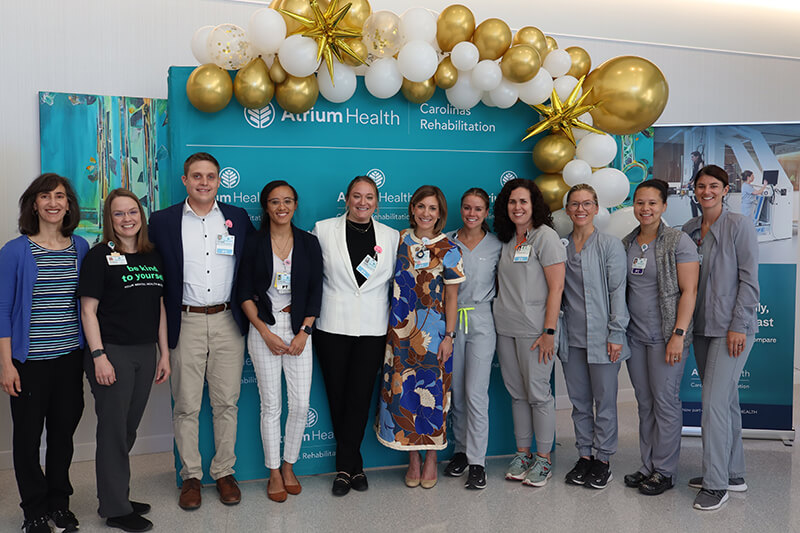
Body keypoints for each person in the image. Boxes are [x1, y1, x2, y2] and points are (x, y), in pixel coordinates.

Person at [148, 152, 254, 510]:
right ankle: (191, 476)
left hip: (228, 320)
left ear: (219, 181)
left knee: (227, 402)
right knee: (187, 405)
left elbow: (253, 265)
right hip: (185, 320)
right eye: (197, 176)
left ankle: (224, 472)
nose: (204, 182)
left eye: (210, 176)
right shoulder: (162, 221)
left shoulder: (237, 218)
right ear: (185, 180)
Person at [0, 174, 88, 533]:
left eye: (60, 196)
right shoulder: (15, 251)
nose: (53, 202)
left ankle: (58, 503)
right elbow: (3, 310)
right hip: (29, 363)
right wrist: (6, 364)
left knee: (63, 438)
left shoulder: (81, 246)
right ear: (33, 204)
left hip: (70, 360)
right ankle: (33, 511)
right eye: (45, 196)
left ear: (69, 205)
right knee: (26, 439)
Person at [79, 189, 170, 532]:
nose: (127, 219)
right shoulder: (99, 255)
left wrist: (163, 353)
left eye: (132, 212)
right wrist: (99, 356)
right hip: (112, 352)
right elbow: (88, 311)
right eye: (118, 214)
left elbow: (158, 306)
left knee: (127, 429)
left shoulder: (152, 255)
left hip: (145, 352)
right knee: (114, 431)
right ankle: (115, 509)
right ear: (109, 219)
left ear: (141, 216)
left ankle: (117, 494)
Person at [311, 176, 399, 496]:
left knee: (361, 397)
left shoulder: (391, 237)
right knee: (337, 396)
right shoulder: (322, 230)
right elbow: (309, 277)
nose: (363, 203)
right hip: (332, 326)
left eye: (369, 197)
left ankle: (346, 466)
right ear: (346, 198)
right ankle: (352, 467)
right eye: (357, 196)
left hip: (373, 328)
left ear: (377, 201)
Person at [238, 180, 322, 503]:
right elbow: (243, 292)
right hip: (265, 329)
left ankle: (290, 465)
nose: (281, 207)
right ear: (266, 207)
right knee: (271, 405)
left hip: (300, 327)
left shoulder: (309, 243)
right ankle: (273, 471)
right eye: (275, 202)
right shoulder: (254, 243)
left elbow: (316, 290)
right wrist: (264, 331)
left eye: (288, 201)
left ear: (295, 205)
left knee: (300, 404)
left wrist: (305, 331)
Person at [376, 185, 464, 489]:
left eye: (433, 208)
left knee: (432, 397)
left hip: (433, 335)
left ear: (440, 214)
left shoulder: (449, 249)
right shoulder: (397, 240)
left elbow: (452, 298)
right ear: (412, 208)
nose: (426, 213)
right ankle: (412, 458)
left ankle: (431, 460)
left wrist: (449, 336)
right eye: (421, 206)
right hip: (400, 334)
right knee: (404, 395)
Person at [681, 165, 759, 511]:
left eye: (714, 186)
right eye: (701, 186)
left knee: (712, 405)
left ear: (726, 190)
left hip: (731, 328)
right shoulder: (689, 229)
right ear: (694, 190)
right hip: (700, 327)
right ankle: (733, 473)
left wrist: (739, 325)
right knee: (725, 402)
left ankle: (715, 485)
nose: (707, 191)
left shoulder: (738, 225)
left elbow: (749, 281)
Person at [620, 180, 699, 496]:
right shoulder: (627, 242)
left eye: (652, 203)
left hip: (667, 336)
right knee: (645, 403)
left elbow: (689, 292)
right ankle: (647, 465)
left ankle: (664, 471)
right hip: (636, 337)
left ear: (664, 206)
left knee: (665, 403)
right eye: (640, 202)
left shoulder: (678, 241)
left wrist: (678, 334)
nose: (645, 209)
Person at [492, 179, 565, 488]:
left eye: (523, 201)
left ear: (534, 205)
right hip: (505, 328)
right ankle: (523, 455)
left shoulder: (545, 237)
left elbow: (557, 287)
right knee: (517, 394)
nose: (517, 207)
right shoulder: (508, 239)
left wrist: (549, 331)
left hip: (536, 330)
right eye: (512, 202)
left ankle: (544, 459)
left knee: (538, 395)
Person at [559, 183, 629, 490]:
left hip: (604, 337)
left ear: (597, 208)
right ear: (567, 210)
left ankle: (603, 460)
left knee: (605, 402)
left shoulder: (609, 245)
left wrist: (616, 332)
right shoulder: (560, 246)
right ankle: (584, 455)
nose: (580, 210)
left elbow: (618, 292)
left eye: (587, 204)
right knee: (579, 402)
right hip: (572, 337)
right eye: (575, 204)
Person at [443, 188, 502, 490]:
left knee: (476, 393)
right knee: (457, 392)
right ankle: (461, 451)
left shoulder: (496, 246)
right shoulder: (447, 241)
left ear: (486, 212)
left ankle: (478, 462)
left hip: (481, 320)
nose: (472, 214)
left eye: (478, 209)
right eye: (467, 208)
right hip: (451, 322)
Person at [688, 151, 705, 217]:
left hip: (699, 186)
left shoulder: (700, 164)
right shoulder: (695, 165)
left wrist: (692, 182)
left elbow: (698, 175)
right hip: (695, 186)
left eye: (693, 157)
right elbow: (693, 175)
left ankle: (705, 217)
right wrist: (689, 182)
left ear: (697, 157)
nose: (691, 158)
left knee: (696, 202)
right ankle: (695, 219)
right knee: (693, 203)